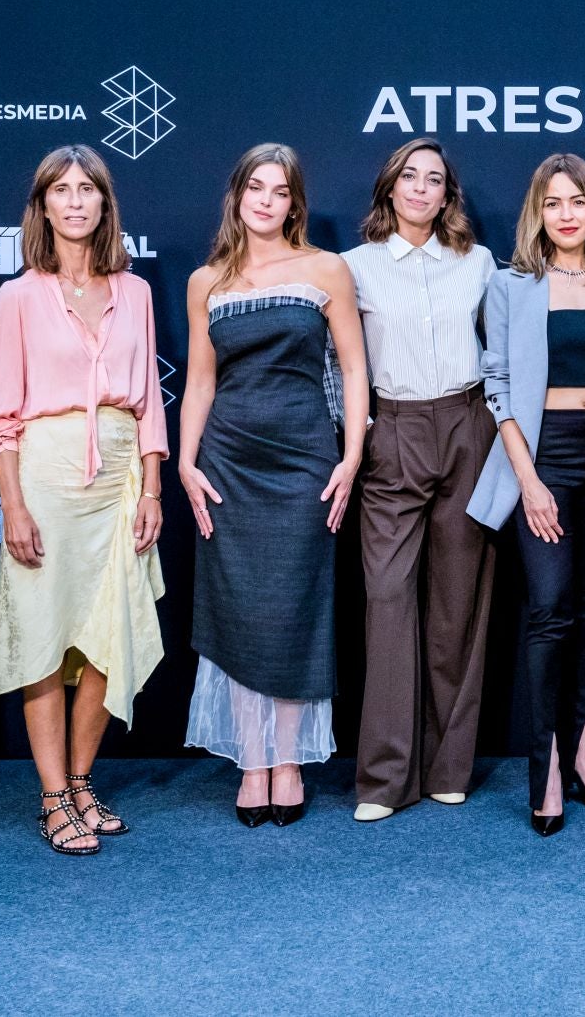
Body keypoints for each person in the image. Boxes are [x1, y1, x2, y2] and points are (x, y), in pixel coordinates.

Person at [0, 145, 169, 856]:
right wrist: (15, 505)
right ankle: (53, 796)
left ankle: (84, 781)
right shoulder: (19, 295)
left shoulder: (138, 291)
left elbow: (150, 399)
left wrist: (152, 486)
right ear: (43, 206)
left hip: (119, 479)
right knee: (42, 636)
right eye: (60, 189)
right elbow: (0, 415)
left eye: (87, 188)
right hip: (46, 476)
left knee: (105, 639)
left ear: (103, 203)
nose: (75, 200)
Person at [177, 143, 368, 827]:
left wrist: (350, 455)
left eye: (279, 189)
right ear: (237, 196)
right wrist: (185, 462)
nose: (265, 199)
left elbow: (352, 369)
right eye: (254, 186)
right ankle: (251, 762)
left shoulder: (326, 269)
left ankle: (287, 762)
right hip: (227, 462)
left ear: (294, 202)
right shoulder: (207, 280)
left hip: (305, 461)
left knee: (294, 608)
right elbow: (200, 380)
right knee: (240, 610)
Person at [468, 153, 585, 837]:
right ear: (537, 213)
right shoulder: (511, 285)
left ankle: (581, 749)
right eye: (553, 203)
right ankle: (544, 766)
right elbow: (498, 387)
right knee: (549, 612)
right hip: (539, 459)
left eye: (578, 201)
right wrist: (529, 481)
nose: (567, 213)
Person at [343, 138, 499, 822]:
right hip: (393, 429)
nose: (421, 188)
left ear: (447, 196)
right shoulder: (353, 268)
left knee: (458, 606)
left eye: (434, 180)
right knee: (386, 601)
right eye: (410, 175)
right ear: (389, 187)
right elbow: (338, 367)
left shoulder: (478, 262)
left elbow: (503, 353)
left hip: (469, 423)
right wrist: (362, 433)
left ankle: (448, 766)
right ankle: (383, 778)